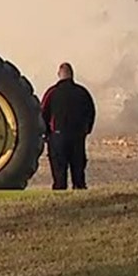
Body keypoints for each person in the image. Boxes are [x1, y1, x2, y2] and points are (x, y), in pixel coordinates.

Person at [40, 62, 96, 190]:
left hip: (58, 136)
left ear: (59, 74)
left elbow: (43, 113)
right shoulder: (82, 92)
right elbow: (91, 112)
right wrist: (86, 130)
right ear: (72, 75)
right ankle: (81, 198)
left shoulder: (52, 92)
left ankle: (60, 197)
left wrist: (47, 133)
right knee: (78, 174)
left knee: (59, 175)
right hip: (77, 137)